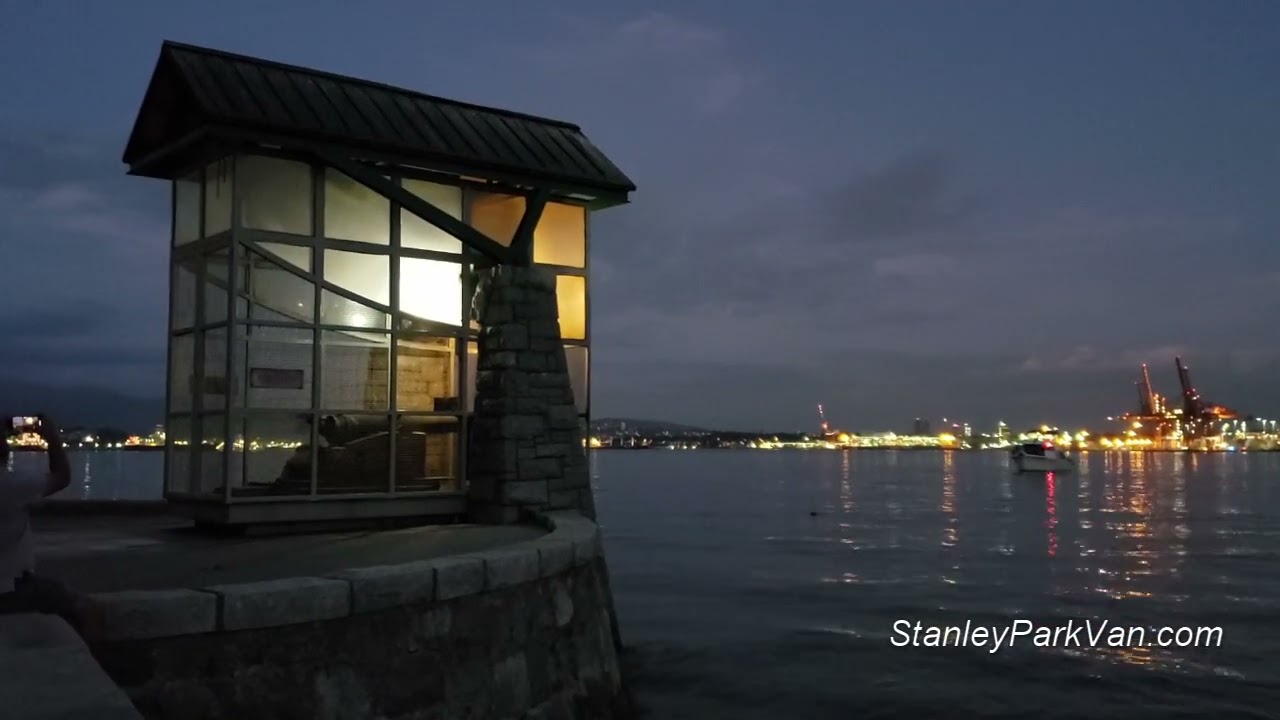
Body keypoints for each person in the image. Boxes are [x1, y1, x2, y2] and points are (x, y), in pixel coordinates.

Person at [0, 416, 99, 637]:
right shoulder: (10, 484)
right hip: (8, 589)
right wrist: (52, 436)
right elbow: (62, 477)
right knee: (84, 607)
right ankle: (85, 657)